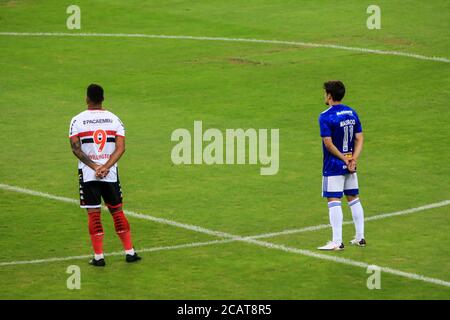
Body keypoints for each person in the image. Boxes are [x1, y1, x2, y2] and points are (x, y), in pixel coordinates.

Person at [69, 84, 141, 266]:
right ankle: (130, 252)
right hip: (110, 175)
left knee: (94, 215)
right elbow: (121, 147)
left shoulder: (77, 120)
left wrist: (94, 166)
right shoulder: (115, 119)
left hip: (88, 175)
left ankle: (99, 257)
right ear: (103, 99)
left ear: (87, 99)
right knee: (117, 211)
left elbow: (75, 148)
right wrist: (106, 167)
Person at [317, 81, 366, 251]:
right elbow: (360, 138)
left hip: (334, 165)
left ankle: (337, 241)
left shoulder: (325, 116)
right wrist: (353, 159)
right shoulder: (352, 112)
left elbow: (329, 144)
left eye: (325, 93)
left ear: (330, 96)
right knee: (353, 197)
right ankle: (360, 237)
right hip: (350, 164)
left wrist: (344, 160)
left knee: (334, 199)